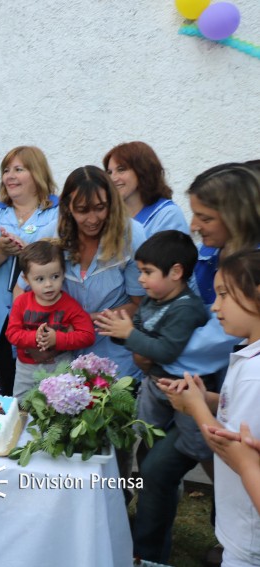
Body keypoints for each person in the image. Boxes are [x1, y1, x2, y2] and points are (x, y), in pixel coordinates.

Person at [129, 163, 260, 564]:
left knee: (165, 470)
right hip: (210, 389)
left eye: (205, 216)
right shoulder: (222, 254)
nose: (195, 224)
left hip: (208, 389)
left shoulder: (247, 266)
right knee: (162, 469)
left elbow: (216, 331)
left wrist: (158, 352)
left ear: (236, 213)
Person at [160, 249, 260, 567]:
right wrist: (209, 400)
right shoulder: (250, 356)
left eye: (223, 294)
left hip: (249, 533)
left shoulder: (254, 375)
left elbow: (233, 447)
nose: (214, 306)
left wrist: (196, 409)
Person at [0, 146, 59, 396]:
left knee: (39, 397)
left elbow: (63, 259)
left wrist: (30, 253)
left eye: (19, 169)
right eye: (6, 170)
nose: (10, 176)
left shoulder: (58, 212)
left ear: (37, 173)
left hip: (41, 322)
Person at [97, 230, 208, 431]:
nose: (140, 279)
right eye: (140, 271)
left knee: (193, 443)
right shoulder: (150, 299)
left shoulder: (186, 308)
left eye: (147, 272)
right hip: (153, 384)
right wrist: (117, 332)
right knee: (145, 432)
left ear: (175, 272)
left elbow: (166, 351)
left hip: (184, 389)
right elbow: (138, 332)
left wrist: (128, 334)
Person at [47, 166, 147, 380]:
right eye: (82, 210)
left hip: (116, 360)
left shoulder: (131, 235)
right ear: (67, 207)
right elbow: (25, 288)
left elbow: (141, 304)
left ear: (111, 203)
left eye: (100, 208)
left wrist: (87, 320)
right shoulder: (52, 236)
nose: (92, 219)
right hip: (63, 358)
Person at [5, 240, 95, 397]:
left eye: (55, 276)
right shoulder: (22, 302)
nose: (48, 284)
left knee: (61, 410)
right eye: (40, 279)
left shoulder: (70, 305)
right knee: (21, 408)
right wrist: (36, 337)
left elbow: (87, 335)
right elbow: (11, 333)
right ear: (26, 279)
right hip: (27, 370)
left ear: (63, 273)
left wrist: (57, 339)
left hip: (61, 368)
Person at [103, 141, 189, 236]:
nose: (113, 178)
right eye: (109, 172)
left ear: (142, 171)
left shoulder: (168, 215)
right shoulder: (110, 217)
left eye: (121, 170)